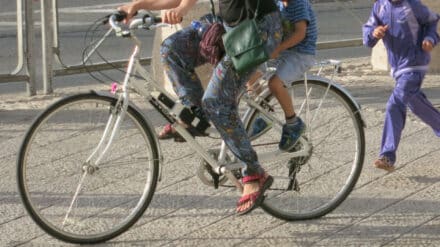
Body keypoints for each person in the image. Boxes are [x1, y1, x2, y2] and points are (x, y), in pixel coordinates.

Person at [118, 0, 283, 215]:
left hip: (257, 30)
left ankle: (254, 173)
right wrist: (137, 6)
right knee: (172, 49)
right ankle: (195, 114)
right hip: (229, 25)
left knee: (216, 102)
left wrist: (182, 9)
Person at [363, 0, 440, 172]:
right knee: (417, 104)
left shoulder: (413, 5)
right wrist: (374, 33)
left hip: (415, 64)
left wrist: (430, 39)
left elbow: (432, 20)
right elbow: (367, 34)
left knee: (394, 103)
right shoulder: (380, 6)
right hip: (397, 68)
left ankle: (387, 156)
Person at [247, 0, 317, 152]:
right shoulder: (278, 4)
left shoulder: (298, 3)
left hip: (301, 54)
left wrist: (279, 48)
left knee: (275, 84)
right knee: (250, 70)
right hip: (284, 52)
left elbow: (300, 33)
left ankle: (293, 123)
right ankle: (262, 114)